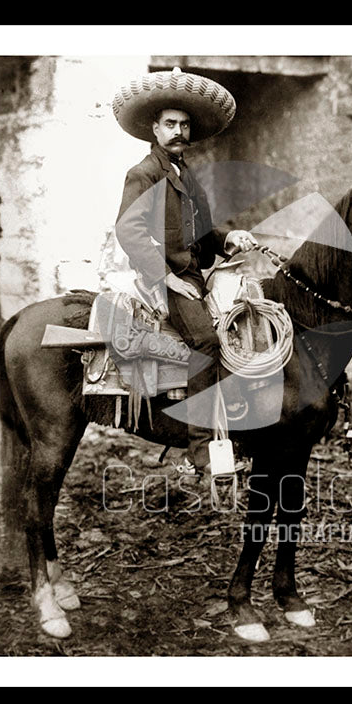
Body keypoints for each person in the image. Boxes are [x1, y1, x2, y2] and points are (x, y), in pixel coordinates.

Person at [112, 67, 257, 477]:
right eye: (170, 124)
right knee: (208, 343)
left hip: (192, 276)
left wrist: (231, 239)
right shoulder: (144, 173)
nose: (179, 131)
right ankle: (199, 449)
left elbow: (205, 236)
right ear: (154, 129)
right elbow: (128, 229)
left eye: (185, 124)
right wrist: (166, 276)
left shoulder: (187, 175)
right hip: (161, 280)